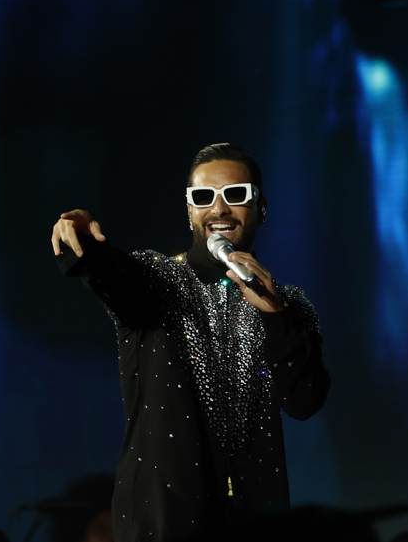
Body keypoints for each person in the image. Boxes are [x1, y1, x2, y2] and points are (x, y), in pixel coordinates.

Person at [51, 143, 330, 541]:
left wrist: (276, 314)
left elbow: (305, 401)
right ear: (189, 211)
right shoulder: (159, 280)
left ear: (261, 208)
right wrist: (83, 241)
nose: (219, 210)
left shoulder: (289, 306)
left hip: (255, 517)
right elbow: (110, 272)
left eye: (235, 195)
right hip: (167, 520)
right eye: (203, 198)